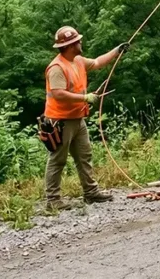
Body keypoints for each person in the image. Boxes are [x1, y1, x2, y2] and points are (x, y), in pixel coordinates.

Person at [43, 26, 129, 211]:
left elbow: (98, 62)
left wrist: (117, 51)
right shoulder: (57, 68)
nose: (81, 43)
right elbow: (58, 94)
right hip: (59, 121)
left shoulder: (78, 61)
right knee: (58, 159)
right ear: (69, 46)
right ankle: (53, 200)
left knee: (84, 155)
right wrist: (85, 97)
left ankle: (91, 192)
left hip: (77, 118)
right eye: (77, 41)